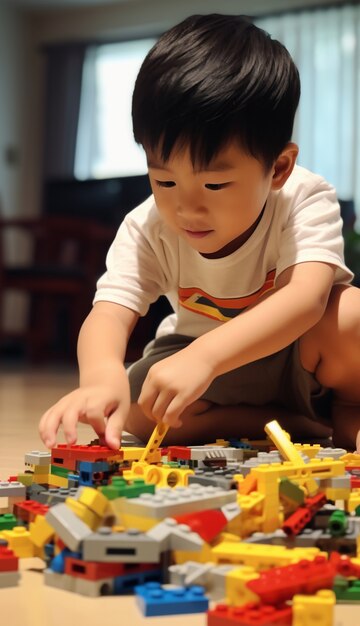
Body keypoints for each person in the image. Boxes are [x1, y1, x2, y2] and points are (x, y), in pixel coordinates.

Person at [39, 14, 360, 453]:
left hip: (294, 354)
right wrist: (101, 378)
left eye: (214, 185)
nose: (186, 208)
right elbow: (110, 312)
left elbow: (305, 299)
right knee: (137, 407)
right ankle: (300, 423)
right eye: (165, 182)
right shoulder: (147, 226)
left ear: (278, 168)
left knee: (351, 315)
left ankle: (347, 409)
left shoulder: (304, 197)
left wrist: (206, 357)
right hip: (199, 354)